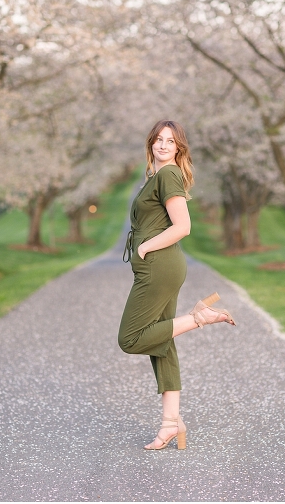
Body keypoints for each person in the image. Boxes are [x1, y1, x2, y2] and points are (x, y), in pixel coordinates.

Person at [118, 119, 236, 451]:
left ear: (179, 147)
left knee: (131, 338)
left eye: (170, 141)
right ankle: (172, 423)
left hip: (160, 266)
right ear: (150, 144)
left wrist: (144, 247)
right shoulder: (155, 176)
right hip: (159, 267)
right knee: (163, 340)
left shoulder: (168, 174)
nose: (163, 145)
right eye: (158, 139)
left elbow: (183, 226)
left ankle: (200, 317)